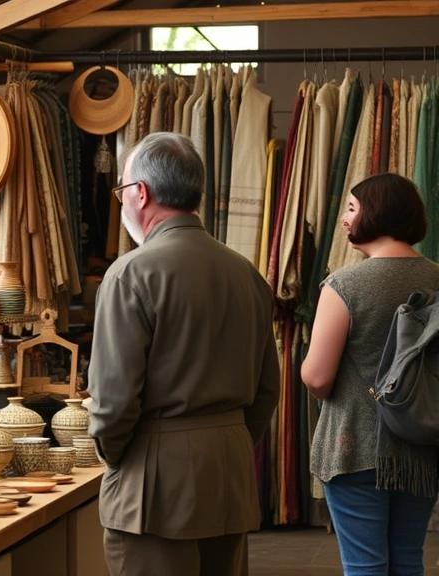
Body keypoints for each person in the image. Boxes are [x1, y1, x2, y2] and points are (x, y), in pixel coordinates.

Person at [87, 132, 279, 576]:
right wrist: (226, 438)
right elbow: (267, 389)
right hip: (228, 471)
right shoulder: (245, 273)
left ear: (140, 193)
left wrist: (118, 459)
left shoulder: (130, 275)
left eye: (121, 191)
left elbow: (113, 405)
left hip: (153, 481)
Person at [302, 173, 439, 575]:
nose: (345, 219)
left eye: (351, 208)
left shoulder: (345, 285)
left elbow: (318, 377)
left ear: (375, 212)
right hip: (422, 447)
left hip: (354, 446)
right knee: (408, 560)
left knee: (365, 565)